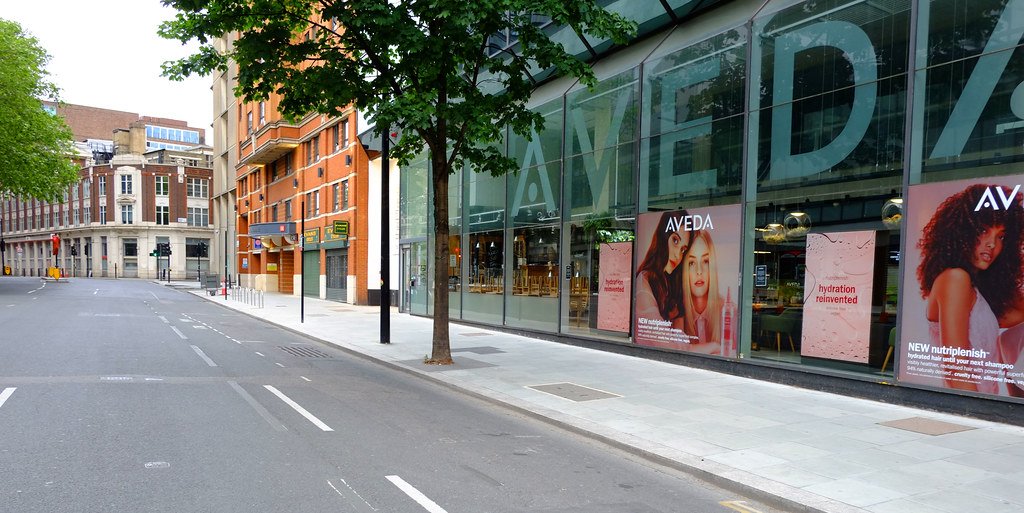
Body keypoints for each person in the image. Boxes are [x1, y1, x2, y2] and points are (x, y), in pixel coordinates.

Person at [917, 184, 1024, 394]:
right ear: (961, 232)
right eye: (983, 230)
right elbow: (956, 368)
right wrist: (977, 413)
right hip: (970, 405)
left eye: (1001, 236)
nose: (992, 243)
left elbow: (1018, 315)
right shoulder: (955, 278)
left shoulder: (974, 289)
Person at [635, 211, 691, 334]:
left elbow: (678, 339)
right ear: (663, 237)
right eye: (675, 241)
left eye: (683, 249)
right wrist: (712, 346)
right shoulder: (644, 281)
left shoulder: (672, 283)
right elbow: (667, 342)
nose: (678, 256)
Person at [680, 229, 723, 354]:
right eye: (691, 263)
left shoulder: (729, 313)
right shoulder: (675, 313)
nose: (699, 271)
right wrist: (714, 347)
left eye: (705, 261)